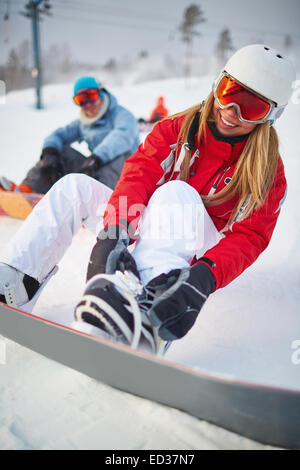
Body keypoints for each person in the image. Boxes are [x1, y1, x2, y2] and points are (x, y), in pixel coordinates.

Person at [0, 45, 296, 355]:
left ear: (272, 115)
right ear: (217, 84)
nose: (232, 111)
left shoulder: (267, 172)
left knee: (175, 193)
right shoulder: (179, 128)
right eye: (229, 92)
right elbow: (138, 174)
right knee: (74, 187)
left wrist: (205, 276)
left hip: (198, 252)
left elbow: (251, 236)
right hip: (154, 221)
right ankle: (19, 281)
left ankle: (148, 319)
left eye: (251, 108)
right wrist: (115, 230)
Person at [0, 76, 140, 194]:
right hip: (97, 172)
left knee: (121, 155)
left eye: (90, 96)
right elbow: (58, 135)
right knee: (60, 151)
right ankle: (28, 191)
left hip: (125, 179)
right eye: (81, 100)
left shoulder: (122, 115)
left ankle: (92, 203)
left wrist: (96, 158)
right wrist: (50, 153)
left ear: (100, 93)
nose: (87, 104)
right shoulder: (83, 123)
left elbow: (122, 136)